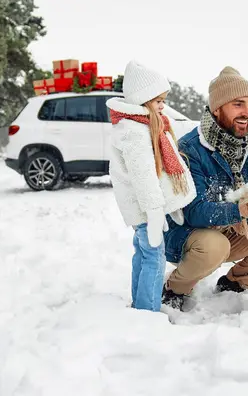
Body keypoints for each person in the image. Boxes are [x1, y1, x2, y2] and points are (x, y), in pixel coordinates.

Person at [162, 66, 248, 310]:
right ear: (217, 108)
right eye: (237, 104)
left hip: (236, 230)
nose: (247, 112)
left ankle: (234, 283)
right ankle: (175, 288)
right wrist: (241, 210)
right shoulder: (191, 148)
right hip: (188, 235)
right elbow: (194, 211)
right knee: (215, 246)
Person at [106, 60, 197, 312]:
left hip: (145, 207)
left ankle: (139, 304)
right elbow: (144, 177)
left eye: (164, 100)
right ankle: (147, 311)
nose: (163, 105)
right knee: (153, 257)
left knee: (143, 253)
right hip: (146, 209)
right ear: (143, 100)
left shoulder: (141, 125)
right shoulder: (134, 132)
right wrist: (155, 212)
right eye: (158, 100)